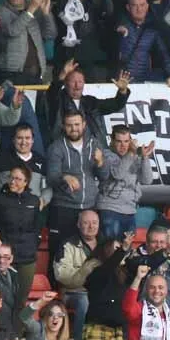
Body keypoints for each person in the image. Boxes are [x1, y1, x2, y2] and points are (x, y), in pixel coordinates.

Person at [47, 110, 104, 260]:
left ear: (84, 124)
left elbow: (104, 176)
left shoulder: (94, 144)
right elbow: (51, 177)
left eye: (77, 124)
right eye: (69, 125)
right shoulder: (56, 147)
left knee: (89, 256)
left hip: (89, 207)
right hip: (64, 208)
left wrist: (100, 163)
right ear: (63, 126)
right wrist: (64, 177)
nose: (74, 129)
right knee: (59, 254)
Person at [47, 61, 131, 148]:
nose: (77, 85)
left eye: (80, 81)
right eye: (73, 81)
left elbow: (116, 104)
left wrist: (122, 91)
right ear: (65, 83)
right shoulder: (58, 101)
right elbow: (52, 93)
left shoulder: (90, 102)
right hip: (67, 149)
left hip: (95, 149)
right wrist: (61, 76)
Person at [95, 127, 155, 240]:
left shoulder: (134, 155)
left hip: (130, 210)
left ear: (130, 141)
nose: (123, 145)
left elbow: (147, 180)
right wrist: (131, 153)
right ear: (112, 141)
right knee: (110, 247)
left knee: (126, 249)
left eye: (126, 141)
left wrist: (145, 157)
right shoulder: (106, 155)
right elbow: (118, 174)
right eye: (119, 141)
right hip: (109, 209)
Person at [54, 209, 101, 340]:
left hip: (98, 293)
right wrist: (85, 271)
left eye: (94, 223)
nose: (91, 226)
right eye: (86, 223)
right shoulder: (68, 245)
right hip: (72, 292)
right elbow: (62, 276)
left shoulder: (105, 245)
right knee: (84, 300)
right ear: (78, 225)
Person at [116, 0, 170, 85]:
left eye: (142, 5)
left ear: (147, 7)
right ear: (128, 8)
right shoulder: (120, 25)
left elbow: (164, 55)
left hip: (143, 78)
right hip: (122, 80)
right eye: (134, 5)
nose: (139, 9)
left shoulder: (152, 29)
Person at [0, 0, 57, 84]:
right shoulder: (2, 11)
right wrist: (31, 9)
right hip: (12, 72)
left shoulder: (35, 10)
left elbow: (50, 34)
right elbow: (13, 31)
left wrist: (46, 13)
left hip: (36, 71)